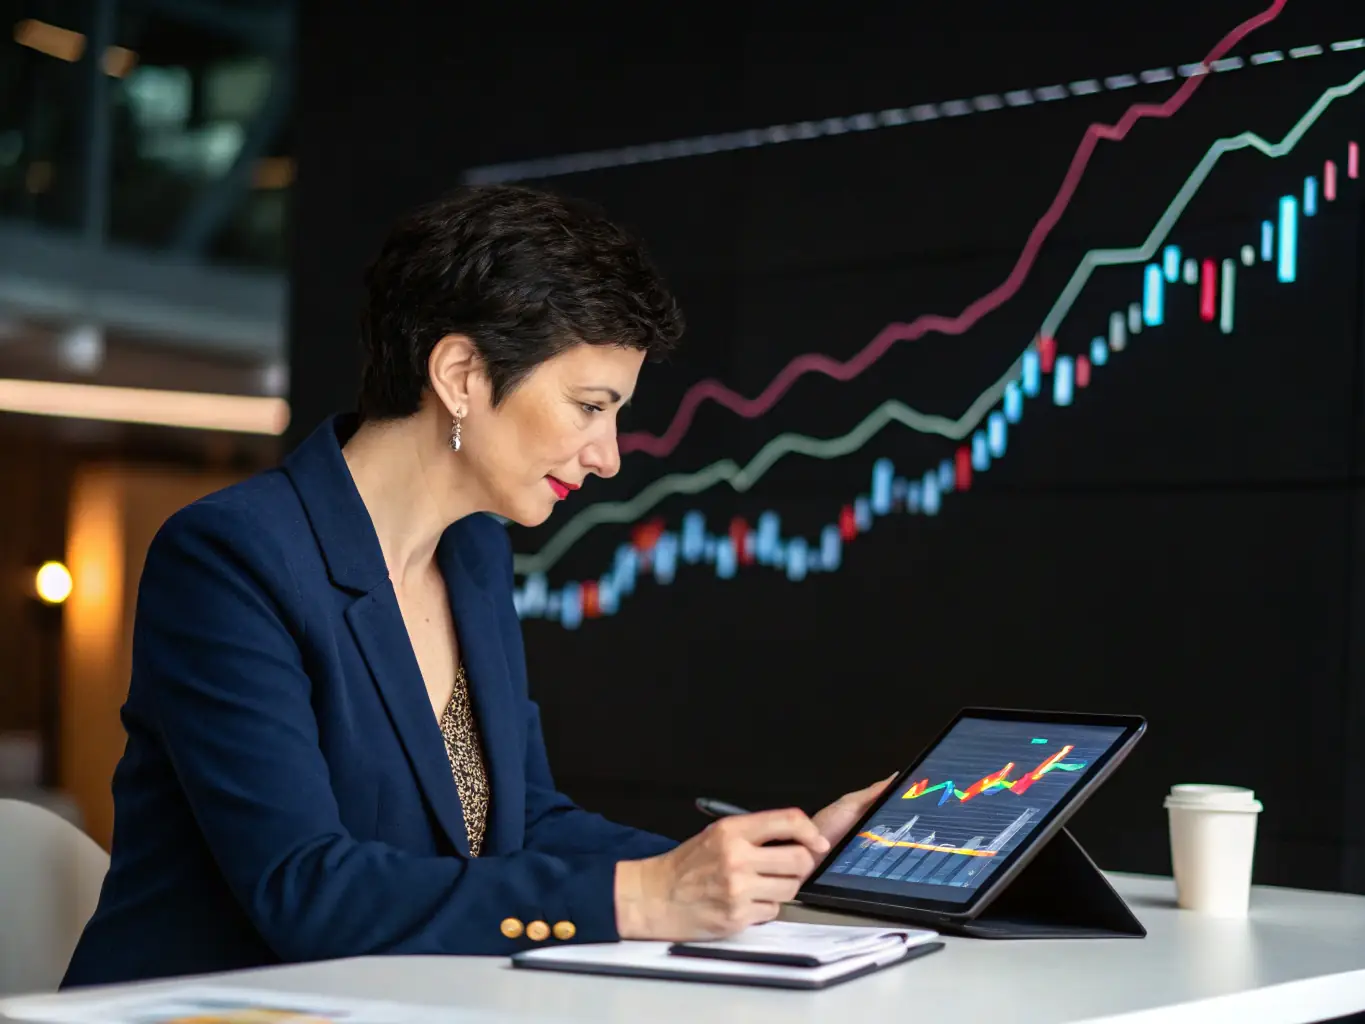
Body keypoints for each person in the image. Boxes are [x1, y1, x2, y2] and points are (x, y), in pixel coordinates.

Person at [62, 185, 891, 988]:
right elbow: (305, 888)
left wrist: (765, 866)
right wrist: (641, 897)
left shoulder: (474, 556)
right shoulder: (232, 557)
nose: (608, 456)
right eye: (589, 406)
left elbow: (522, 822)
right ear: (460, 373)